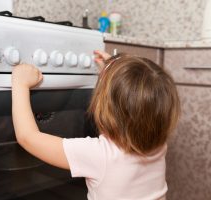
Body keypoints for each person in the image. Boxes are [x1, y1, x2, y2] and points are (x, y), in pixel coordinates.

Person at [11, 50, 180, 200]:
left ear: (106, 110)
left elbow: (28, 137)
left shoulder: (100, 155)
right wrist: (111, 67)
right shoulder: (159, 146)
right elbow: (139, 100)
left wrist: (20, 84)